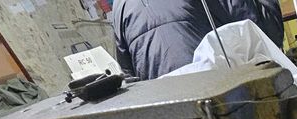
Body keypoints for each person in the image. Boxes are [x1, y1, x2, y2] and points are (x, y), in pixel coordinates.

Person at [112, 0, 284, 80]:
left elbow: (128, 73)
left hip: (167, 114)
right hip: (219, 99)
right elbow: (267, 32)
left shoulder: (120, 5)